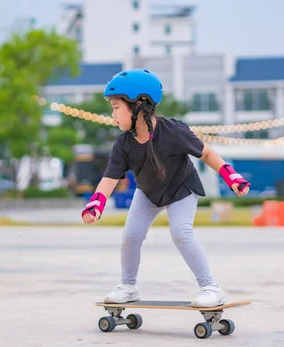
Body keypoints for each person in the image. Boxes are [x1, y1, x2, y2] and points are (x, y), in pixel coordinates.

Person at [81, 69, 250, 307]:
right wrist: (96, 203)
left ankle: (211, 288)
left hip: (182, 189)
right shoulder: (123, 144)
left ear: (139, 104)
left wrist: (231, 176)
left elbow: (207, 153)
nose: (113, 114)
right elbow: (110, 178)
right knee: (130, 237)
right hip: (148, 192)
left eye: (117, 107)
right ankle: (128, 287)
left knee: (181, 233)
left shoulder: (173, 131)